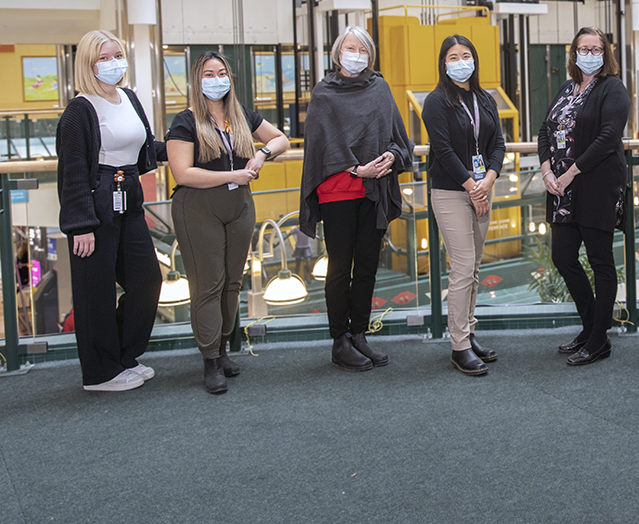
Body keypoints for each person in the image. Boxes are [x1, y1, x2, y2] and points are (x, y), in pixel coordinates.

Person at [166, 51, 289, 394]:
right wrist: (234, 173)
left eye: (222, 73)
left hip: (240, 206)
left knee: (234, 282)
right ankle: (209, 361)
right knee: (209, 285)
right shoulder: (185, 122)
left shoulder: (241, 116)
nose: (216, 79)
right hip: (198, 208)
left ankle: (222, 351)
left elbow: (280, 138)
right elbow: (183, 173)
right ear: (197, 80)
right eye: (209, 73)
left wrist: (263, 153)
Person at [299, 25, 413, 372]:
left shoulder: (379, 88)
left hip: (373, 191)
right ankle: (340, 341)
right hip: (337, 192)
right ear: (337, 53)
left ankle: (359, 334)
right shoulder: (324, 93)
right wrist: (355, 169)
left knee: (366, 266)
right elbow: (322, 145)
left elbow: (398, 137)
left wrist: (392, 157)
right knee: (338, 267)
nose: (356, 55)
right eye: (350, 48)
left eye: (362, 50)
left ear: (370, 55)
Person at [56, 30, 164, 391]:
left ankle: (121, 355)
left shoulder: (129, 98)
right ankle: (99, 372)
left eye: (118, 54)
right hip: (96, 198)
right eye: (105, 57)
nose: (114, 62)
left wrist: (191, 144)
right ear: (89, 64)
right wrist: (80, 225)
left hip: (129, 195)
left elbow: (146, 146)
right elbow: (71, 170)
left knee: (146, 280)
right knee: (95, 290)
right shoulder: (79, 110)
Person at [538, 27, 630, 366]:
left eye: (596, 48)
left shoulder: (612, 88)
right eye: (583, 48)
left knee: (601, 261)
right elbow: (545, 130)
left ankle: (599, 339)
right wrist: (548, 172)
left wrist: (570, 172)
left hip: (595, 185)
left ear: (606, 53)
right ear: (573, 52)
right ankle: (591, 326)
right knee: (563, 257)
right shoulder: (566, 88)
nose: (589, 53)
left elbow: (608, 137)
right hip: (561, 189)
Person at [422, 35, 507, 376]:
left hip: (482, 189)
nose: (460, 61)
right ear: (444, 63)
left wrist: (487, 181)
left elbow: (498, 143)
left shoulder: (485, 99)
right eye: (453, 56)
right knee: (462, 266)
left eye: (466, 55)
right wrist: (473, 186)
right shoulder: (436, 101)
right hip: (451, 191)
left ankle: (468, 334)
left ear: (475, 60)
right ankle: (458, 346)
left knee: (473, 269)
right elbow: (442, 149)